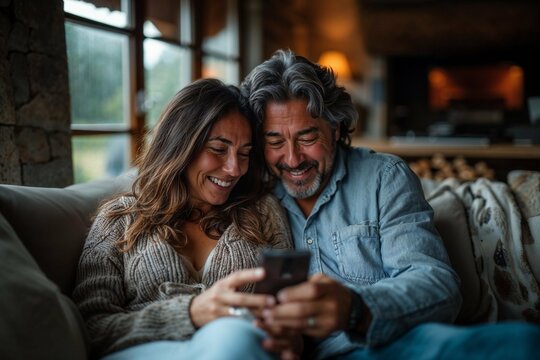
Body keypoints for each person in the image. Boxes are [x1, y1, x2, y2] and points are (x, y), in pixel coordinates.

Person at [241, 50, 540, 359]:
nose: (292, 159)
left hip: (392, 344)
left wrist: (355, 309)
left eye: (307, 137)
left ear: (337, 128)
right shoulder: (252, 196)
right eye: (275, 142)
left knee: (523, 344)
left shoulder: (383, 177)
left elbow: (436, 283)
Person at [72, 79, 296, 360]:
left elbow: (289, 311)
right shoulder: (119, 219)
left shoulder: (262, 211)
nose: (234, 168)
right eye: (218, 149)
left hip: (242, 349)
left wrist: (288, 335)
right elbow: (91, 329)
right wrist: (190, 313)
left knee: (234, 338)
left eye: (244, 154)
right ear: (181, 145)